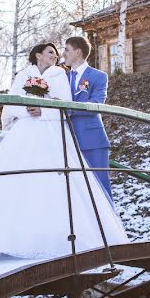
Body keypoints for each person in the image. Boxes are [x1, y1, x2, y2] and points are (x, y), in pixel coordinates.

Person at [0, 42, 128, 259]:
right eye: (51, 52)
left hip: (50, 130)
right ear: (38, 55)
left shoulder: (60, 75)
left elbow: (65, 105)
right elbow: (11, 103)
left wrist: (43, 111)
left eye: (58, 53)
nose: (56, 56)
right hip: (23, 132)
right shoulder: (23, 74)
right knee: (11, 180)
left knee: (55, 182)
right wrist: (27, 111)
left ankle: (57, 239)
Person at [62, 36, 113, 203]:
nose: (64, 54)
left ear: (78, 52)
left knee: (100, 188)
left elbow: (96, 103)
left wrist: (68, 108)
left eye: (67, 50)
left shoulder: (99, 76)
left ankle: (108, 228)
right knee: (74, 192)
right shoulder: (62, 78)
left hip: (92, 141)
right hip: (67, 141)